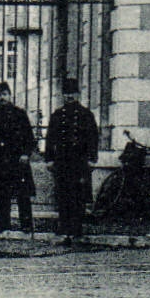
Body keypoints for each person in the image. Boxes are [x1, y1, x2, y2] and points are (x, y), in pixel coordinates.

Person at [43, 77, 101, 239]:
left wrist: (92, 158)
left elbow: (93, 138)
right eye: (67, 93)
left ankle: (76, 227)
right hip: (62, 160)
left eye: (72, 93)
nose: (69, 96)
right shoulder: (57, 115)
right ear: (63, 95)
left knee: (78, 194)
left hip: (79, 161)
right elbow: (50, 139)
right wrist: (49, 159)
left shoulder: (86, 115)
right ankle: (64, 225)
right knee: (62, 193)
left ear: (78, 94)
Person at [0, 81, 37, 232]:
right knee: (2, 195)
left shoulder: (20, 114)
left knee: (23, 195)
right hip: (1, 162)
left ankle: (27, 225)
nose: (2, 98)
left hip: (18, 161)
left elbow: (29, 138)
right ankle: (5, 225)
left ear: (10, 95)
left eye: (4, 95)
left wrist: (25, 154)